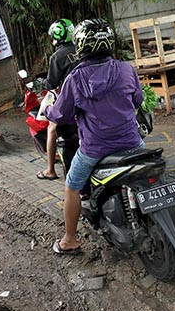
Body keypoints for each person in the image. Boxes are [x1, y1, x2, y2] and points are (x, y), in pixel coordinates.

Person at [44, 19, 143, 255]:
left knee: (72, 187)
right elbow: (138, 100)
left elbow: (61, 114)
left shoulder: (75, 78)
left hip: (95, 148)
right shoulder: (126, 69)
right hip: (132, 141)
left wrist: (47, 108)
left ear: (81, 45)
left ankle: (69, 240)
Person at [38, 19, 78, 181]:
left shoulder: (57, 56)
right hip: (90, 97)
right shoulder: (81, 49)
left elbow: (52, 83)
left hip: (70, 99)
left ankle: (50, 170)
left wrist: (42, 82)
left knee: (52, 128)